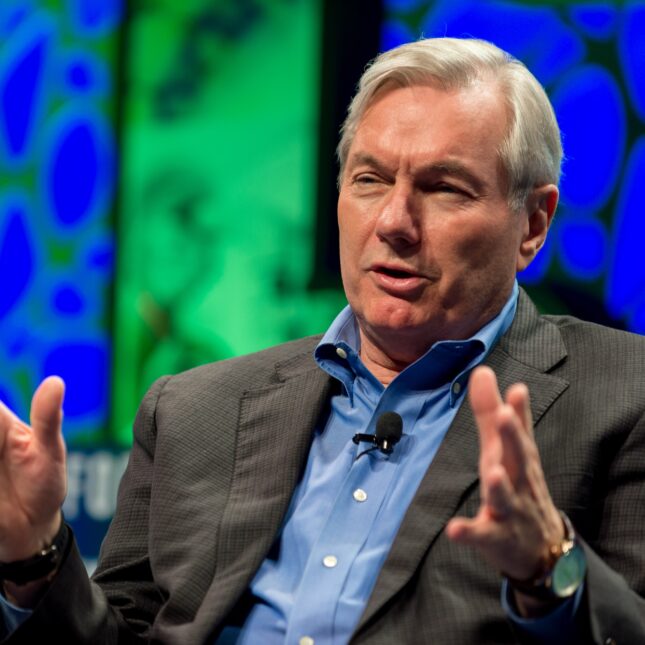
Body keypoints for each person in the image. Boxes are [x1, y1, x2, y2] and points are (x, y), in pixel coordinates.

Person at [0, 37, 643, 644]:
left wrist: (551, 572)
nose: (394, 222)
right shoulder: (192, 411)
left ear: (532, 224)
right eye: (370, 180)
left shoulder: (623, 397)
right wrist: (36, 557)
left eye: (443, 188)